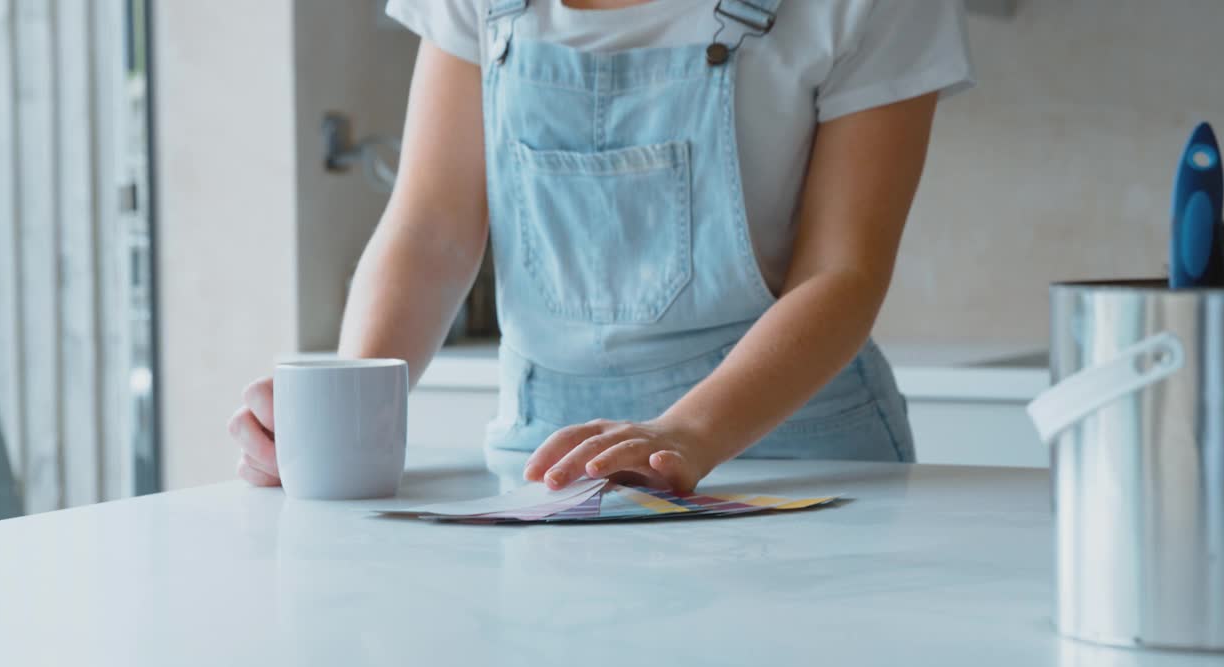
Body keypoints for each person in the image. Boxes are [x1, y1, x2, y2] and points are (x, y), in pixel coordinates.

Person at [229, 0, 974, 494]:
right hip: (546, 475)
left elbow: (842, 271)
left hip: (796, 469)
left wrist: (684, 434)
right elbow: (433, 225)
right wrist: (343, 414)